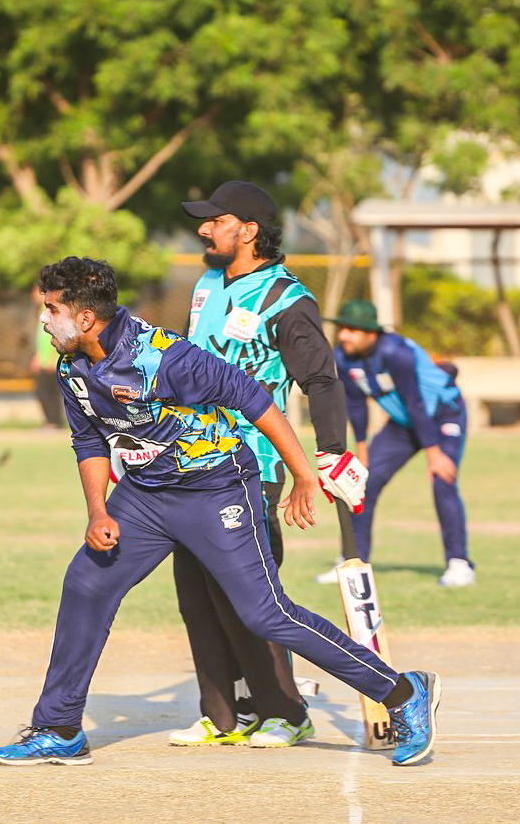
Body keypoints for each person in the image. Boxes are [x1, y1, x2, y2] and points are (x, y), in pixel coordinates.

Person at [0, 257, 438, 768]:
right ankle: (60, 728)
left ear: (85, 318)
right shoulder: (72, 366)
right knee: (86, 584)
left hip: (217, 489)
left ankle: (404, 692)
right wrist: (97, 512)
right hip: (145, 495)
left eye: (51, 309)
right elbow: (89, 440)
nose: (44, 319)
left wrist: (304, 475)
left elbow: (252, 397)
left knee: (265, 613)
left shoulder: (164, 356)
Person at [170, 180, 369, 749]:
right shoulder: (206, 285)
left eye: (216, 221)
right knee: (197, 595)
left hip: (250, 462)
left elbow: (321, 380)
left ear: (249, 231)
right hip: (187, 458)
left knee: (251, 596)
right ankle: (223, 713)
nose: (204, 229)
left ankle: (285, 710)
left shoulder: (286, 298)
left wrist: (330, 453)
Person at [325, 299, 474, 588]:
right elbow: (355, 404)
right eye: (342, 328)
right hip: (403, 424)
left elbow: (415, 402)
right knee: (363, 483)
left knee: (442, 479)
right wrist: (362, 451)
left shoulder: (396, 352)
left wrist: (434, 455)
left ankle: (460, 564)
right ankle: (353, 562)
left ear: (371, 333)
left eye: (351, 330)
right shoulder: (342, 357)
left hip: (442, 414)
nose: (343, 335)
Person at [30, 285, 63, 428]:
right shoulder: (41, 312)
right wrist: (37, 356)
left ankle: (53, 422)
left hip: (51, 362)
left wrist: (53, 358)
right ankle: (51, 421)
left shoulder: (52, 312)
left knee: (49, 392)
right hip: (43, 361)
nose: (33, 295)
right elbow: (42, 338)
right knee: (42, 391)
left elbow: (57, 335)